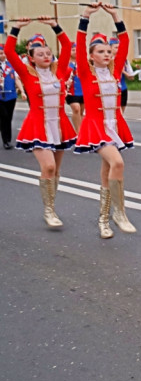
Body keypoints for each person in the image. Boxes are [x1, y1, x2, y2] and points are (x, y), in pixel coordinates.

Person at [4, 18, 77, 228]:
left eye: (48, 53)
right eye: (40, 54)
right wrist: (16, 28)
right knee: (49, 166)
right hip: (38, 125)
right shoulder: (27, 74)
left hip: (60, 125)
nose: (46, 56)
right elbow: (9, 52)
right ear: (31, 58)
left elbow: (66, 45)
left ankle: (52, 206)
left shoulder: (60, 71)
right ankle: (48, 211)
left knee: (56, 171)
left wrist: (55, 25)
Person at [74, 4, 136, 238]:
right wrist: (86, 17)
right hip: (96, 126)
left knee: (107, 173)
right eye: (100, 52)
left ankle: (103, 220)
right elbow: (80, 45)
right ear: (91, 56)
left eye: (109, 51)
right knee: (117, 164)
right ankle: (119, 213)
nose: (107, 55)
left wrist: (115, 16)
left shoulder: (115, 72)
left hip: (115, 125)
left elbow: (126, 42)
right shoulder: (86, 73)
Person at [1, 46, 23, 149]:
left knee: (8, 118)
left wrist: (22, 91)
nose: (2, 55)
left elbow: (17, 79)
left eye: (3, 53)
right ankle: (5, 141)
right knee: (4, 116)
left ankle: (8, 140)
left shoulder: (11, 65)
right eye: (0, 53)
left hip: (11, 95)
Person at [65, 45, 84, 130]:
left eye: (77, 50)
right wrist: (65, 83)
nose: (75, 51)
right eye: (73, 50)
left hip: (83, 90)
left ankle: (82, 131)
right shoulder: (65, 64)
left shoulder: (82, 63)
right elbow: (60, 77)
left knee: (81, 112)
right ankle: (78, 131)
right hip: (71, 91)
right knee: (76, 109)